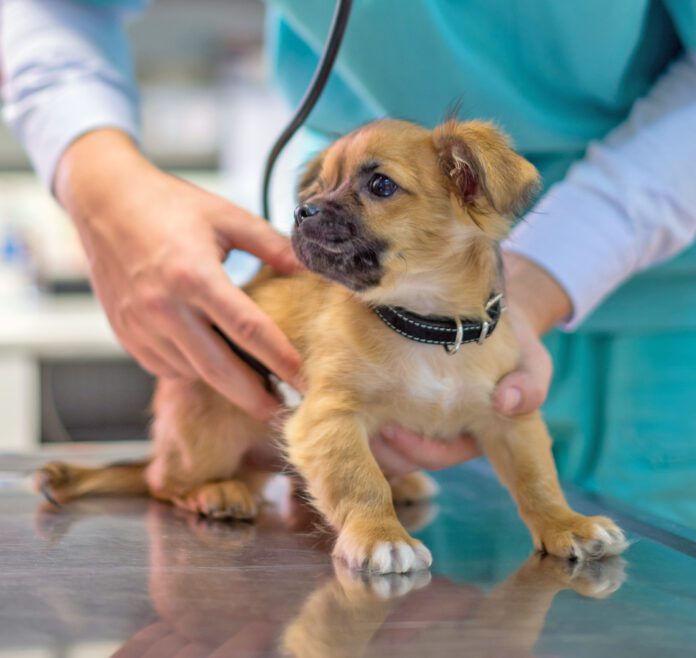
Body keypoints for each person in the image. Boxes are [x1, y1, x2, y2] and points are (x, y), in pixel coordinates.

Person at [2, 0, 696, 527]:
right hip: (368, 314)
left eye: (375, 187)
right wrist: (99, 184)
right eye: (317, 191)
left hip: (656, 313)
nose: (317, 209)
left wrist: (542, 277)